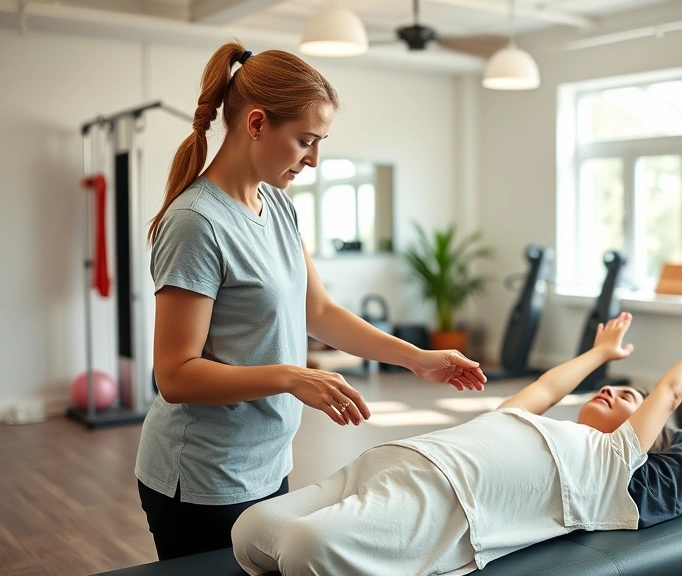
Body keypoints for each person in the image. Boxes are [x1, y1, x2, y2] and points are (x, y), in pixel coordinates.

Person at [136, 41, 487, 562]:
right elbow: (176, 375)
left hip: (266, 462)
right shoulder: (196, 223)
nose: (315, 160)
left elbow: (318, 312)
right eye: (305, 141)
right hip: (202, 476)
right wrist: (291, 376)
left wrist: (418, 358)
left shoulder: (277, 206)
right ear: (256, 123)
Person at [232, 310, 682, 576]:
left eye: (627, 396)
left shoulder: (611, 463)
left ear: (642, 438)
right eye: (610, 384)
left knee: (302, 549)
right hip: (391, 462)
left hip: (442, 504)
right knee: (249, 530)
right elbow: (549, 386)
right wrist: (601, 353)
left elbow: (669, 393)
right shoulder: (529, 422)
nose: (609, 390)